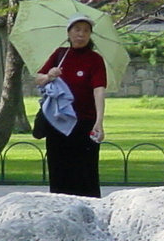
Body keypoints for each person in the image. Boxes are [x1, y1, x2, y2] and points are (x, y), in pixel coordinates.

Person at [36, 16, 109, 198]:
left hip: (84, 120)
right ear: (69, 33)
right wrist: (49, 76)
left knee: (86, 170)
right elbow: (38, 79)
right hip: (59, 120)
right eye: (77, 30)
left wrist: (99, 121)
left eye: (86, 31)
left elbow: (98, 90)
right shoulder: (60, 55)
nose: (81, 34)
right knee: (59, 167)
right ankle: (59, 206)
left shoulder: (95, 59)